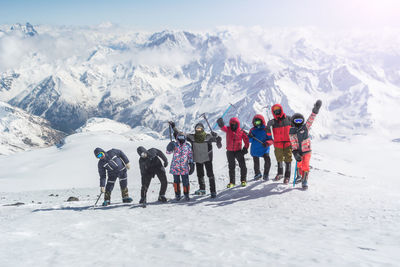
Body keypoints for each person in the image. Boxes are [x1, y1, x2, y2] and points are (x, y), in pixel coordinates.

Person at [169, 121, 222, 198]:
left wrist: (217, 136)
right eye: (197, 128)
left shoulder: (208, 136)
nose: (199, 130)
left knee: (210, 175)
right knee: (200, 175)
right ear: (195, 129)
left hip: (207, 159)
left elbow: (219, 144)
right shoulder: (192, 137)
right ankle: (202, 189)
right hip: (198, 159)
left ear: (203, 129)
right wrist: (174, 128)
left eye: (200, 128)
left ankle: (213, 191)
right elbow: (180, 134)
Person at [289, 100, 322, 189]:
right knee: (299, 164)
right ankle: (299, 175)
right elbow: (293, 142)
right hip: (298, 151)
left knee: (305, 165)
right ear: (293, 121)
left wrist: (315, 111)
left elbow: (310, 120)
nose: (299, 122)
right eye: (297, 120)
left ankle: (304, 180)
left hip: (306, 150)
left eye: (300, 120)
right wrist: (295, 152)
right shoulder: (292, 131)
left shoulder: (305, 127)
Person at [217, 117, 249, 188]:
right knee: (231, 167)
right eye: (232, 124)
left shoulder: (241, 131)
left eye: (235, 124)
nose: (233, 125)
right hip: (230, 151)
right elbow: (223, 128)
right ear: (230, 124)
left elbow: (246, 140)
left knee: (242, 166)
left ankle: (243, 180)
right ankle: (232, 182)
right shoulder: (228, 129)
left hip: (238, 151)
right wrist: (220, 124)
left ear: (238, 124)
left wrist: (245, 148)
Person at [267, 104, 292, 184]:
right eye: (275, 110)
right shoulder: (273, 122)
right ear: (273, 112)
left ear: (281, 109)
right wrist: (268, 126)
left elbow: (295, 128)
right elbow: (268, 135)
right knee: (279, 159)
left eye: (278, 109)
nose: (277, 111)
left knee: (288, 159)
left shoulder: (289, 119)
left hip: (288, 143)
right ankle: (280, 173)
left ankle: (287, 176)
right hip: (278, 144)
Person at [166, 132, 195, 201]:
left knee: (186, 181)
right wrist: (169, 147)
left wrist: (191, 163)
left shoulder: (188, 146)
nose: (181, 139)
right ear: (177, 138)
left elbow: (190, 155)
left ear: (185, 138)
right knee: (176, 182)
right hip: (175, 167)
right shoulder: (175, 145)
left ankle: (186, 194)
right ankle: (177, 195)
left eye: (182, 137)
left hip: (184, 167)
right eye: (179, 137)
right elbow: (168, 152)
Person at [248, 114, 274, 181]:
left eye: (258, 122)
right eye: (255, 122)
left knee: (267, 160)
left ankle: (266, 174)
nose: (257, 124)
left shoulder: (266, 129)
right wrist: (250, 137)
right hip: (255, 149)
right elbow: (249, 140)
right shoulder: (252, 130)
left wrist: (267, 143)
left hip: (264, 148)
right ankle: (257, 173)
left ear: (262, 121)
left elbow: (271, 139)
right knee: (256, 162)